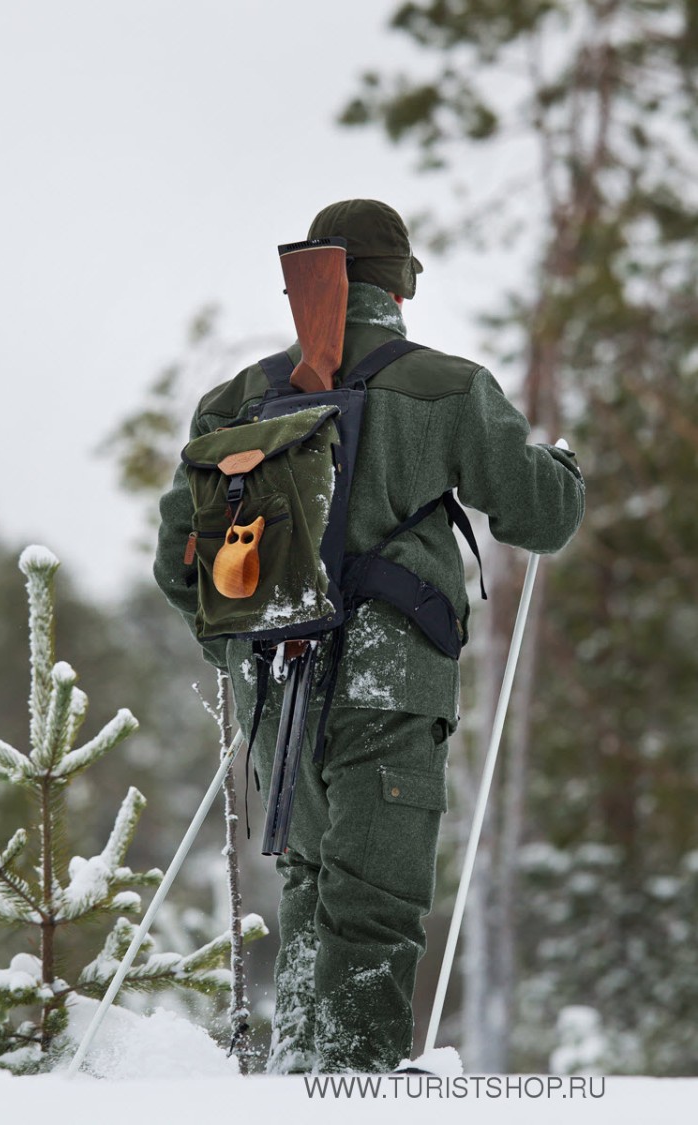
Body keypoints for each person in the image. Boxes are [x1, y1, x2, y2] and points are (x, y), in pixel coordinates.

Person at [153, 198, 585, 1075]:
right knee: (376, 905)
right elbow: (539, 515)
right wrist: (564, 471)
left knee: (314, 889)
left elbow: (178, 562)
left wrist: (244, 654)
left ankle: (301, 1083)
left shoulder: (236, 400)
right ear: (398, 287)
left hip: (274, 680)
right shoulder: (445, 386)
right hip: (390, 681)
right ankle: (349, 1092)